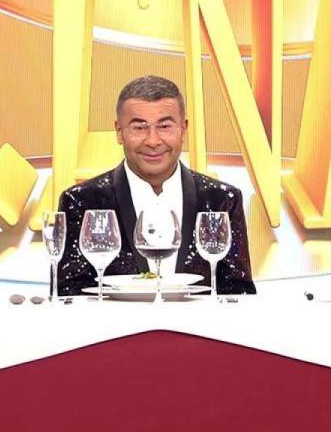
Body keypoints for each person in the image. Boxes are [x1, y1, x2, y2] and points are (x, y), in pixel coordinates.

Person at [57, 76, 256, 296]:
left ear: (184, 130)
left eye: (165, 126)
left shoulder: (221, 200)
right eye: (139, 127)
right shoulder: (83, 201)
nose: (153, 141)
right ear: (119, 132)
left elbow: (239, 293)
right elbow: (69, 294)